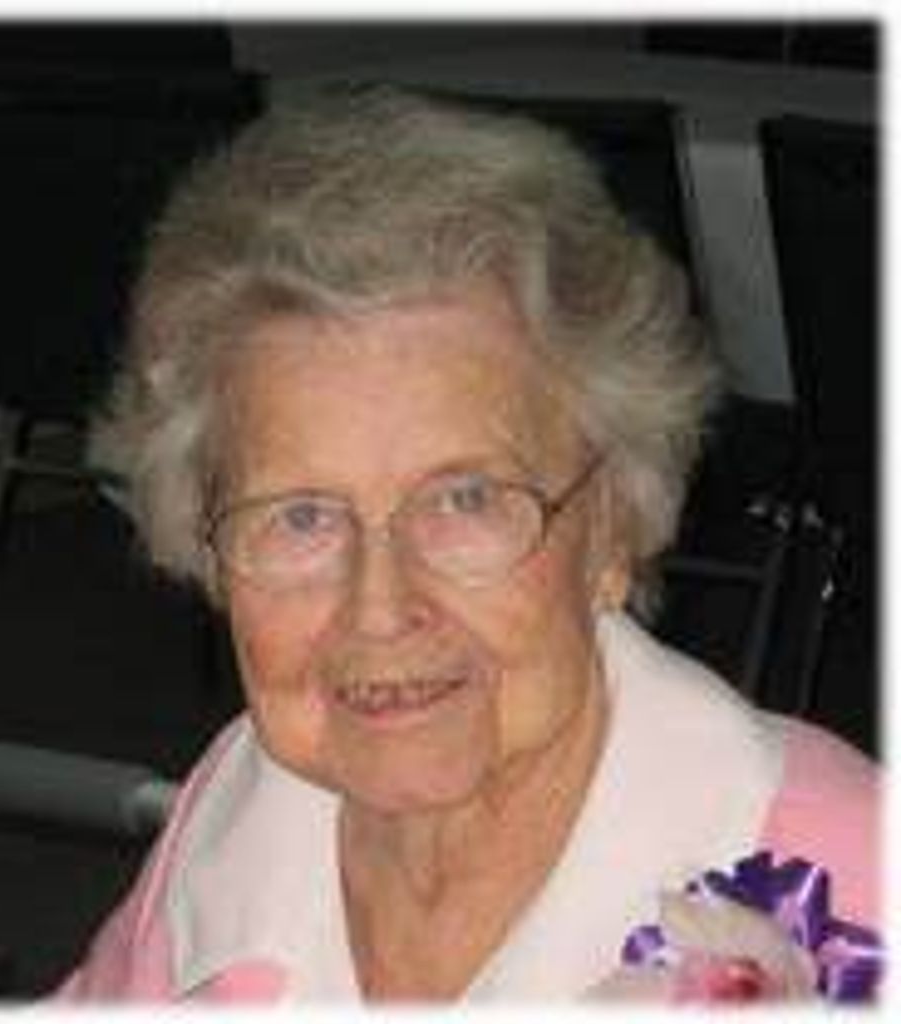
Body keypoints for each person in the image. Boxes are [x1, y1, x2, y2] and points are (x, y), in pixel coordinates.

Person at [55, 84, 880, 1003]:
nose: (379, 610)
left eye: (465, 499)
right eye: (300, 516)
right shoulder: (244, 806)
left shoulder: (851, 895)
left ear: (610, 529)